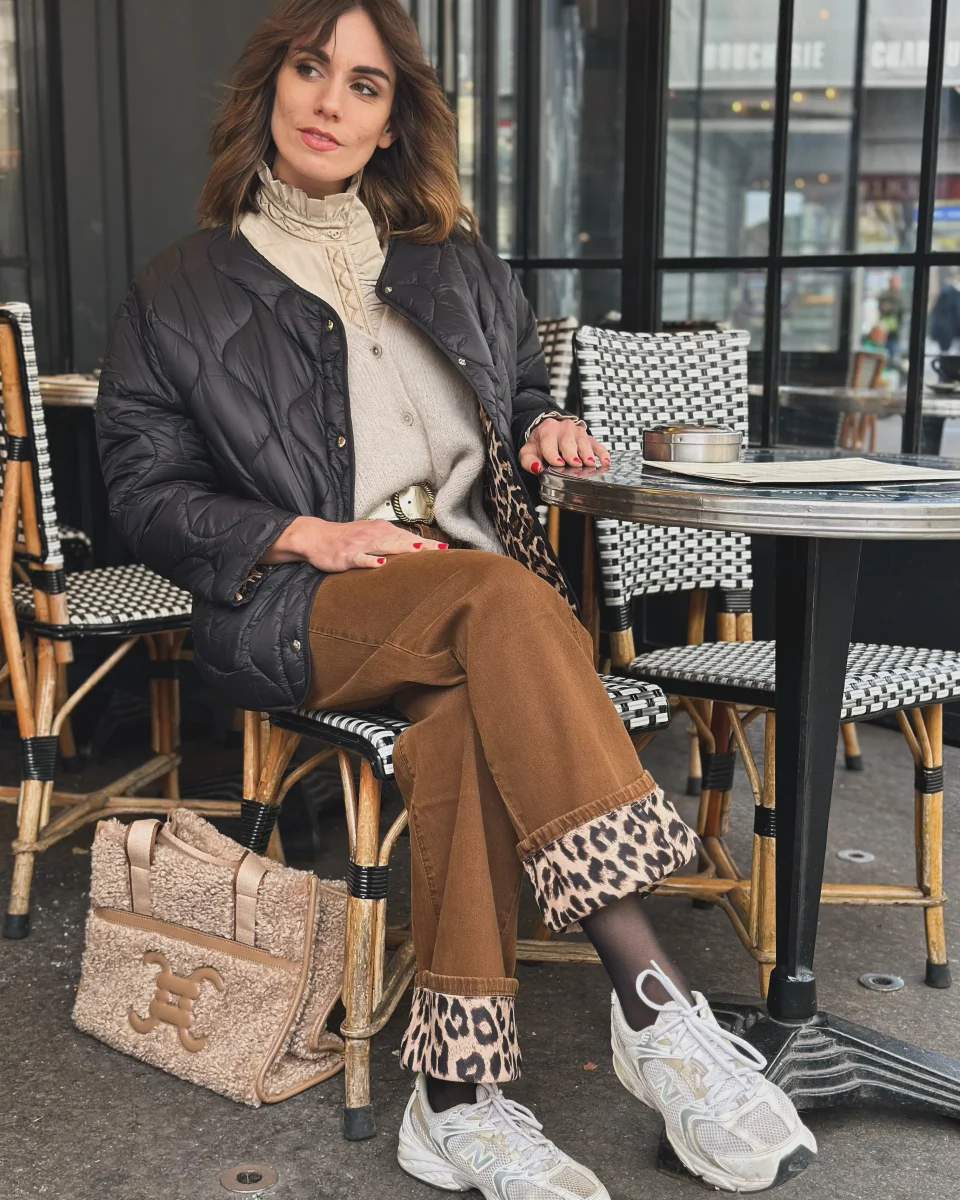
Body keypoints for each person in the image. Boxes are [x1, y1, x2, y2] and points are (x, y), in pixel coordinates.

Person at [95, 2, 816, 1195]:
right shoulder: (179, 289)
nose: (330, 101)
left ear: (391, 123)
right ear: (270, 88)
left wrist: (545, 426)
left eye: (364, 85)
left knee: (465, 717)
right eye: (311, 69)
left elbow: (520, 382)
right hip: (305, 601)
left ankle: (454, 1100)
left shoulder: (453, 258)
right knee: (494, 604)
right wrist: (305, 533)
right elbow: (142, 492)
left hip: (479, 603)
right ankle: (654, 1005)